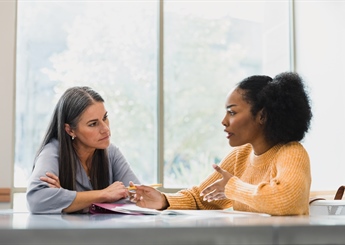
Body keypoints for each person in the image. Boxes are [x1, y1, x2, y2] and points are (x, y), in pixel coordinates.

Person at [130, 72, 312, 216]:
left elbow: (287, 200)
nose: (224, 121)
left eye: (232, 112)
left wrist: (231, 187)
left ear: (262, 115)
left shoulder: (291, 152)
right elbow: (201, 198)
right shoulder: (240, 156)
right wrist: (163, 200)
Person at [26, 86, 140, 214]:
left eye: (105, 118)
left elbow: (137, 198)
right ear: (70, 130)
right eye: (93, 124)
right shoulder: (52, 152)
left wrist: (65, 198)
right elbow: (36, 200)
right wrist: (103, 195)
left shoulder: (111, 152)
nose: (105, 129)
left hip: (103, 233)